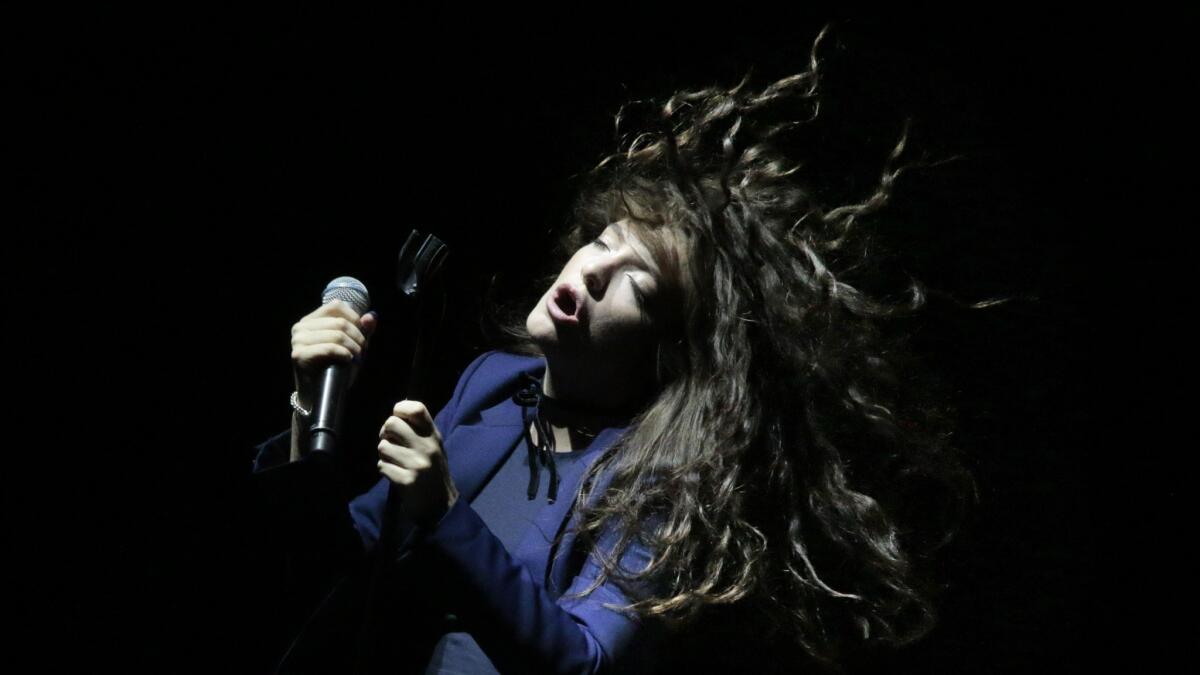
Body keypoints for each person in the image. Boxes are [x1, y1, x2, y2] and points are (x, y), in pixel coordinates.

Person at [250, 25, 985, 674]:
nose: (591, 268)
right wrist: (305, 404)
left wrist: (445, 515)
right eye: (601, 242)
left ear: (669, 350)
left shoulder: (668, 484)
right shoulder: (497, 385)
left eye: (633, 278)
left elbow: (584, 661)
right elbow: (339, 554)